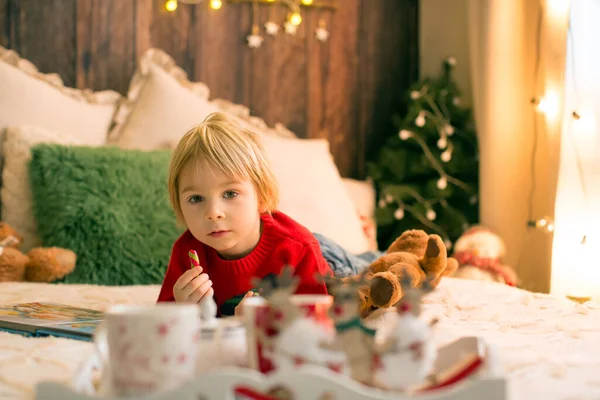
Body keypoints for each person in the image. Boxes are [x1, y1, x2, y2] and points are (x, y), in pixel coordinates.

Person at [156, 112, 332, 316]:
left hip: (327, 257)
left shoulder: (298, 249)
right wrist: (183, 311)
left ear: (262, 196)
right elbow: (163, 327)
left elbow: (322, 322)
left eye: (230, 193)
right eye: (196, 198)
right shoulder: (187, 253)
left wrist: (259, 324)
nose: (213, 213)